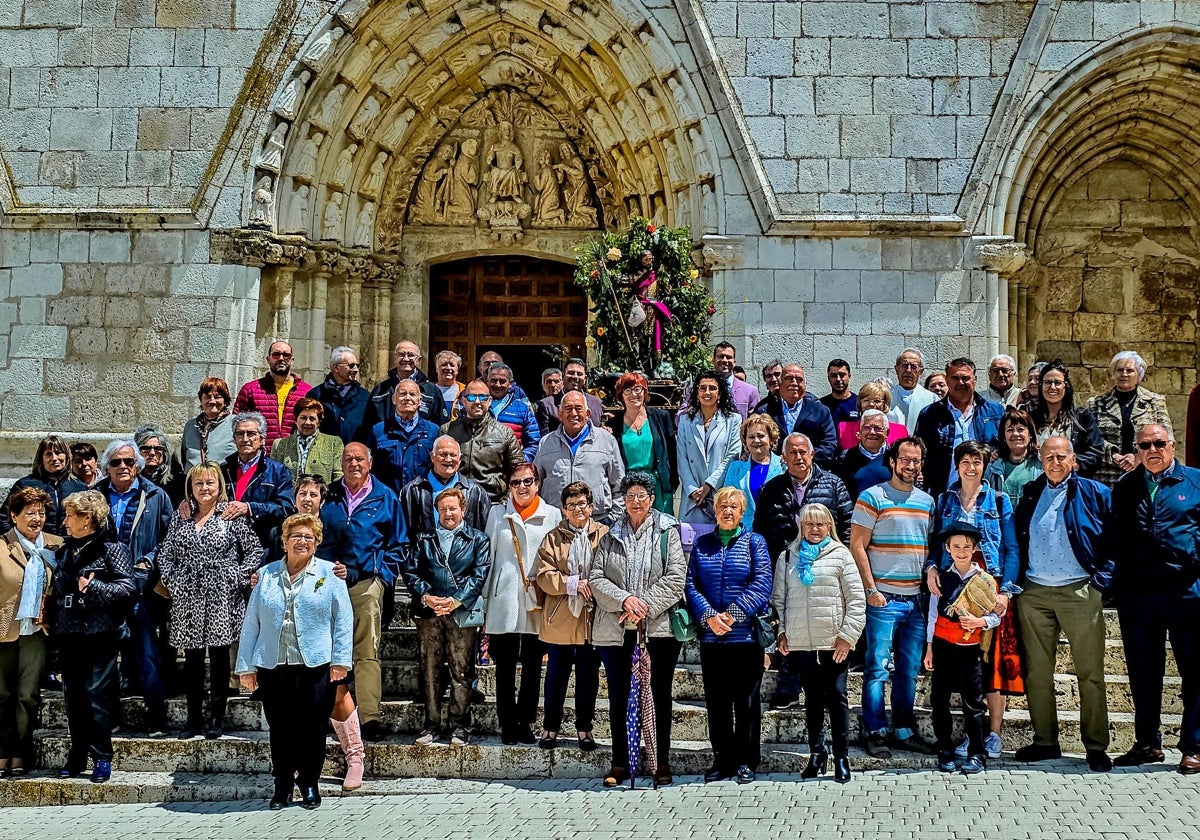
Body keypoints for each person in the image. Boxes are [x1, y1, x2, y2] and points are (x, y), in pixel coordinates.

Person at [236, 513, 353, 810]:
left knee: (313, 727)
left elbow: (343, 621)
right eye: (296, 537)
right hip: (274, 665)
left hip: (316, 665)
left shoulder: (330, 575)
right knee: (281, 727)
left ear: (316, 544)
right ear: (284, 542)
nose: (302, 541)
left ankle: (310, 782)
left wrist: (340, 660)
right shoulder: (264, 575)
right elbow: (252, 624)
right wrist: (246, 666)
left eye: (308, 538)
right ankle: (283, 785)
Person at [1012, 435, 1113, 772]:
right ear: (1040, 460)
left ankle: (1096, 746)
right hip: (1035, 592)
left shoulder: (1095, 492)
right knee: (1037, 673)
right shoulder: (1030, 493)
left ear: (1074, 459)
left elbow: (1116, 539)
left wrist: (1100, 582)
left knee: (1090, 673)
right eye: (1048, 457)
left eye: (1061, 456)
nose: (1054, 462)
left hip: (1079, 592)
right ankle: (1045, 741)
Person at [1108, 424, 1200, 773]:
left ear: (1172, 445)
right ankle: (1147, 744)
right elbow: (1116, 534)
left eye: (1159, 443)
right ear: (1137, 449)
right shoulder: (1126, 486)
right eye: (1145, 445)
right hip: (1139, 596)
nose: (1153, 449)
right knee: (1143, 672)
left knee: (1194, 671)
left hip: (1186, 592)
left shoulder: (1195, 482)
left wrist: (1193, 558)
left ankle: (1194, 745)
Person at [590, 471, 686, 787]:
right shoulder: (609, 534)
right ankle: (621, 762)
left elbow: (675, 577)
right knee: (619, 695)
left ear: (652, 499)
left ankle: (660, 763)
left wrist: (643, 604)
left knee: (658, 695)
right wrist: (625, 600)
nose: (635, 502)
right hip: (617, 629)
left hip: (657, 629)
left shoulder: (667, 531)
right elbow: (596, 578)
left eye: (641, 496)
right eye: (630, 496)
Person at [926, 440, 1020, 762]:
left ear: (984, 465)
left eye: (976, 462)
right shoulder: (944, 499)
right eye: (964, 461)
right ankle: (967, 736)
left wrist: (1006, 590)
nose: (970, 467)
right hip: (954, 583)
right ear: (957, 466)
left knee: (990, 668)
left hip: (988, 586)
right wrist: (931, 569)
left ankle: (990, 735)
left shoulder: (998, 498)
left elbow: (1011, 547)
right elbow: (937, 543)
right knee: (967, 668)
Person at [156, 463, 261, 739]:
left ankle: (216, 717)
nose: (204, 488)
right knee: (191, 660)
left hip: (221, 599)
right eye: (199, 483)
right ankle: (192, 719)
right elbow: (165, 554)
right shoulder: (181, 518)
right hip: (187, 597)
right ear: (190, 487)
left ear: (219, 487)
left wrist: (236, 577)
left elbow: (254, 550)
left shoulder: (231, 517)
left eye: (210, 483)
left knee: (217, 658)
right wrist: (173, 581)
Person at [850, 436, 935, 758]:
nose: (911, 466)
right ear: (892, 461)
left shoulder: (927, 502)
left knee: (908, 670)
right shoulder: (872, 497)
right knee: (876, 668)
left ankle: (903, 729)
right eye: (906, 460)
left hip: (916, 601)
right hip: (883, 598)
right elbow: (857, 544)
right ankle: (874, 731)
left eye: (916, 461)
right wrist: (870, 590)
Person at [772, 503, 864, 784]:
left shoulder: (841, 556)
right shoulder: (788, 556)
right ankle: (816, 753)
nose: (814, 529)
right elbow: (779, 600)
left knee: (837, 698)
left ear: (829, 527)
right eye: (809, 524)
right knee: (811, 699)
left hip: (833, 642)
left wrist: (847, 637)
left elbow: (857, 600)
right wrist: (782, 633)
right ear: (801, 526)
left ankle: (841, 757)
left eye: (820, 524)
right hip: (801, 643)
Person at [686, 487, 773, 784]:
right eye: (722, 505)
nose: (727, 510)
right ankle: (722, 760)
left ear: (742, 511)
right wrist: (710, 617)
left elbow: (761, 584)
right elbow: (691, 585)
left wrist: (732, 616)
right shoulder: (702, 545)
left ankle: (747, 759)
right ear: (714, 510)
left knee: (746, 702)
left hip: (745, 638)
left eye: (733, 506)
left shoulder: (754, 542)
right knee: (717, 702)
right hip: (712, 639)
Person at [321, 443, 405, 742]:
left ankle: (369, 717)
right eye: (348, 459)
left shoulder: (386, 497)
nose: (353, 463)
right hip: (326, 584)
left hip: (365, 584)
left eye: (359, 458)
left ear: (370, 463)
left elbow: (399, 545)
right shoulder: (328, 494)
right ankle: (330, 714)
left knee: (366, 651)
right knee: (326, 651)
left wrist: (381, 576)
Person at [51, 490, 136, 783]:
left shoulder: (112, 549)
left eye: (70, 516)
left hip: (101, 634)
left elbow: (128, 589)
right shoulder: (64, 551)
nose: (64, 522)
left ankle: (102, 755)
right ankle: (77, 753)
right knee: (73, 697)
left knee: (96, 696)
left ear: (87, 519)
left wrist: (95, 588)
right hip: (70, 633)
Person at [292, 474, 364, 791]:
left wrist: (348, 570)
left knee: (337, 693)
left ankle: (356, 758)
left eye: (314, 494)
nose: (308, 498)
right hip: (291, 626)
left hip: (328, 620)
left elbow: (356, 560)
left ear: (322, 499)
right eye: (302, 493)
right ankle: (299, 763)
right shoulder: (281, 531)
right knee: (297, 698)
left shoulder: (336, 526)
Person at [404, 487, 491, 747]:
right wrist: (425, 596)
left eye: (453, 508)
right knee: (429, 670)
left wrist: (457, 600)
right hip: (429, 613)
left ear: (463, 510)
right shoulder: (424, 538)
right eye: (443, 509)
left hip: (461, 613)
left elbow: (479, 574)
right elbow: (411, 571)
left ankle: (459, 726)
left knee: (461, 671)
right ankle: (431, 725)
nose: (448, 513)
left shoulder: (477, 539)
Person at [97, 438, 173, 735]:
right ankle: (111, 717)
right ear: (107, 467)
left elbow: (169, 538)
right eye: (116, 462)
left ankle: (156, 718)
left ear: (138, 465)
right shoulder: (95, 496)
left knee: (147, 651)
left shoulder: (155, 495)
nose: (123, 467)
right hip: (105, 587)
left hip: (141, 585)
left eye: (129, 461)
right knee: (106, 657)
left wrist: (149, 560)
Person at [483, 463, 561, 744]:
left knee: (532, 664)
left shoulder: (552, 515)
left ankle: (525, 720)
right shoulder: (497, 513)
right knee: (503, 665)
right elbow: (488, 558)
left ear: (537, 484)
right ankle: (507, 722)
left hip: (537, 599)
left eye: (528, 481)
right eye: (516, 482)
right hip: (503, 596)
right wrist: (484, 602)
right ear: (509, 485)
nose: (522, 487)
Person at [535, 481, 607, 751]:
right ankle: (550, 727)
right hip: (561, 615)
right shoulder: (553, 538)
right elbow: (543, 575)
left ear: (591, 507)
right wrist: (572, 583)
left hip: (592, 618)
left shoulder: (604, 535)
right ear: (563, 510)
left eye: (582, 504)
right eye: (571, 505)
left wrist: (595, 586)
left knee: (588, 676)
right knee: (556, 675)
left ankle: (584, 729)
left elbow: (613, 570)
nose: (577, 509)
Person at [925, 521, 1000, 775]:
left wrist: (979, 621)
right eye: (956, 546)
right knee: (939, 701)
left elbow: (995, 617)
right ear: (947, 548)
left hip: (970, 651)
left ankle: (977, 754)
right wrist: (929, 648)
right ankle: (945, 748)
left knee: (974, 704)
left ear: (974, 548)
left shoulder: (986, 581)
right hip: (944, 647)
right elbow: (933, 615)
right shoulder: (941, 579)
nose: (961, 551)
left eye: (966, 546)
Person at [0, 488, 63, 777]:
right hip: (4, 630)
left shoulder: (56, 545)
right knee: (2, 695)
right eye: (30, 513)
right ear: (14, 516)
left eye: (41, 513)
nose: (37, 519)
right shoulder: (2, 546)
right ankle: (2, 751)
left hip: (37, 631)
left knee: (28, 696)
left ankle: (21, 752)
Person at [914, 357, 1005, 496]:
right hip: (943, 493)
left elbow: (1005, 449)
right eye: (955, 378)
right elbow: (920, 452)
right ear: (947, 380)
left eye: (965, 378)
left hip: (986, 493)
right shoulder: (929, 414)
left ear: (974, 379)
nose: (960, 382)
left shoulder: (996, 413)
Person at [534, 390, 625, 524]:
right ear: (560, 414)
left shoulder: (606, 441)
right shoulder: (546, 443)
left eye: (578, 408)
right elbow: (537, 483)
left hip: (597, 522)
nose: (574, 413)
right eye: (568, 408)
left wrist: (612, 519)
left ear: (588, 414)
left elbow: (619, 484)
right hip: (557, 523)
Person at [1086, 350, 1173, 488]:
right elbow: (1090, 437)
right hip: (1106, 476)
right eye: (1120, 370)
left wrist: (1139, 456)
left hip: (1145, 472)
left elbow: (1167, 437)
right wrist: (1113, 454)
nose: (1124, 374)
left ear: (1139, 374)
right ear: (1113, 373)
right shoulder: (1095, 403)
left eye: (1130, 370)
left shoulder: (1155, 402)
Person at [220, 413, 296, 563]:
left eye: (251, 434)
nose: (245, 438)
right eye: (240, 433)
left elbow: (285, 508)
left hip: (262, 546)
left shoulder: (278, 471)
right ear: (234, 438)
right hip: (226, 546)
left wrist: (250, 508)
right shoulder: (223, 470)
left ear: (262, 439)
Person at [677, 370, 741, 535]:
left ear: (719, 393)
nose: (707, 392)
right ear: (696, 393)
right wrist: (693, 491)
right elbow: (682, 458)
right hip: (692, 499)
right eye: (702, 388)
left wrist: (709, 486)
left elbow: (732, 456)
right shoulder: (685, 421)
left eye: (712, 388)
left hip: (718, 494)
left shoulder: (733, 420)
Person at [441, 379, 524, 505]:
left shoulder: (504, 433)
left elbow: (519, 470)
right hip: (456, 503)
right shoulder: (447, 430)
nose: (478, 402)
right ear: (464, 401)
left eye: (483, 397)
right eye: (472, 397)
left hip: (493, 502)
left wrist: (506, 500)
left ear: (489, 401)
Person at [607, 371, 678, 515]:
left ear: (645, 392)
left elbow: (672, 452)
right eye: (628, 390)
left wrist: (671, 482)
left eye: (638, 389)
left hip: (658, 486)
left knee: (661, 531)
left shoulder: (662, 418)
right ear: (621, 395)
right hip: (628, 488)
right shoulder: (614, 424)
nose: (634, 394)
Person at [399, 435, 492, 540]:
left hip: (463, 555)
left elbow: (485, 534)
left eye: (453, 455)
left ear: (460, 459)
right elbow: (402, 535)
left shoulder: (475, 491)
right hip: (424, 555)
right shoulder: (412, 491)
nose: (448, 459)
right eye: (443, 454)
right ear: (432, 457)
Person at [233, 340, 312, 454]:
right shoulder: (250, 390)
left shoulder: (306, 391)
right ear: (268, 359)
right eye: (276, 354)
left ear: (292, 360)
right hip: (260, 458)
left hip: (295, 457)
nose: (281, 358)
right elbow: (236, 425)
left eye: (286, 355)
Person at [1028, 360, 1104, 477]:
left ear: (1066, 386)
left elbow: (1096, 452)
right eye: (1047, 382)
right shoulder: (1030, 418)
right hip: (1036, 484)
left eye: (1057, 383)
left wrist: (1070, 464)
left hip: (1071, 483)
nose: (1052, 387)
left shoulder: (1082, 418)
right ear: (1041, 386)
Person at [0, 434, 85, 536]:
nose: (54, 458)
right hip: (33, 547)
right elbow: (3, 518)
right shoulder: (25, 485)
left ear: (67, 456)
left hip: (69, 547)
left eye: (59, 453)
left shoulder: (80, 487)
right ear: (41, 458)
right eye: (48, 454)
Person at [755, 364, 837, 467]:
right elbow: (755, 441)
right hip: (773, 473)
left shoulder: (820, 411)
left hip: (811, 471)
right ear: (780, 383)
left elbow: (829, 444)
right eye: (789, 378)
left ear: (805, 384)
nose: (794, 383)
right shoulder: (764, 412)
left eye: (799, 379)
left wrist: (803, 459)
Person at [366, 379, 439, 494]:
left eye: (412, 394)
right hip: (388, 499)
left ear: (420, 401)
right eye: (402, 394)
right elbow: (370, 469)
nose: (407, 398)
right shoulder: (379, 431)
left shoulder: (433, 431)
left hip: (422, 500)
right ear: (394, 399)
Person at [723, 414, 784, 529]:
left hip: (775, 534)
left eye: (761, 436)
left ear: (771, 439)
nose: (756, 440)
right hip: (742, 533)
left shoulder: (783, 466)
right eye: (751, 437)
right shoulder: (735, 468)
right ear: (745, 441)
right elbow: (726, 502)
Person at [368, 340, 448, 428]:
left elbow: (442, 427)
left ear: (418, 360)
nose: (406, 359)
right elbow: (368, 427)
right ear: (395, 358)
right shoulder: (380, 390)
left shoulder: (432, 391)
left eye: (410, 355)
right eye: (401, 354)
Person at [271, 397, 345, 484]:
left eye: (312, 419)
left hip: (322, 496)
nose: (307, 422)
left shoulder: (334, 443)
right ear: (295, 420)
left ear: (319, 422)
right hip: (288, 496)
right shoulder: (280, 444)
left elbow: (338, 476)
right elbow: (273, 476)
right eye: (303, 418)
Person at [307, 346, 372, 444]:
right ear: (336, 367)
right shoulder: (316, 395)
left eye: (357, 365)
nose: (355, 370)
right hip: (325, 453)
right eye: (351, 365)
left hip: (353, 455)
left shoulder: (365, 396)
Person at [984, 408, 1043, 508]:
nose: (1015, 434)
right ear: (1004, 436)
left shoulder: (1041, 463)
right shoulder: (994, 465)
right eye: (1010, 430)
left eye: (1020, 429)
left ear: (1030, 434)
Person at [486, 363, 541, 461]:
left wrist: (520, 462)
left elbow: (534, 442)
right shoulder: (477, 405)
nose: (498, 385)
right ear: (487, 380)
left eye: (502, 381)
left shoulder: (522, 409)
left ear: (510, 383)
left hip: (512, 470)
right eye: (494, 380)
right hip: (481, 470)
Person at [835, 409, 894, 500]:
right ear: (860, 431)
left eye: (877, 428)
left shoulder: (896, 457)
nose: (872, 432)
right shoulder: (845, 458)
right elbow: (840, 494)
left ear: (887, 433)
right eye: (867, 428)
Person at [535, 358, 605, 434]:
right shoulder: (547, 405)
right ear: (563, 375)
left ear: (585, 378)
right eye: (571, 373)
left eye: (579, 374)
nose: (575, 377)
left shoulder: (596, 403)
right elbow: (544, 438)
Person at [182, 377, 237, 472]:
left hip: (223, 482)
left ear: (225, 400)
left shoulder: (235, 423)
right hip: (193, 482)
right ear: (201, 400)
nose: (212, 401)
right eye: (207, 397)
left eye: (217, 397)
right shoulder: (190, 426)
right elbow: (184, 456)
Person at [838, 383, 907, 451]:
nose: (871, 404)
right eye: (866, 400)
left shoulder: (900, 431)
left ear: (885, 404)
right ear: (860, 403)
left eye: (877, 401)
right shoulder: (843, 429)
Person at [133, 425, 185, 505]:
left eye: (158, 449)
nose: (152, 453)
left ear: (164, 453)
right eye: (146, 448)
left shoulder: (177, 482)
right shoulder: (130, 480)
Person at [890, 349, 939, 432]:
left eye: (913, 366)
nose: (908, 370)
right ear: (896, 369)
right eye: (904, 365)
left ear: (921, 371)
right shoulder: (885, 396)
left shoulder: (932, 399)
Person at [820, 358, 859, 434]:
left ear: (849, 376)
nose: (838, 379)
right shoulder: (821, 405)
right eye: (834, 376)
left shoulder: (860, 403)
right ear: (828, 378)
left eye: (842, 375)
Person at [433, 349, 465, 418]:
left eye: (452, 365)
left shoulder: (464, 391)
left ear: (457, 369)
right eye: (444, 364)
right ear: (436, 368)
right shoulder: (429, 391)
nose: (448, 368)